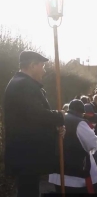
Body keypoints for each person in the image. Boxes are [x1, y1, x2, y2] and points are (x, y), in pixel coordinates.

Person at [3, 51, 65, 197]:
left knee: (29, 189)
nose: (44, 70)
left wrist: (55, 125)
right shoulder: (23, 85)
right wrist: (59, 116)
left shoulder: (22, 83)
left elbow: (30, 117)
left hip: (26, 154)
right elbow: (37, 114)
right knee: (28, 191)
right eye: (42, 66)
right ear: (32, 65)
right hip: (26, 155)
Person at [49, 100, 97, 195]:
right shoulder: (79, 123)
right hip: (76, 173)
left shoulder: (58, 120)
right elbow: (92, 143)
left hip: (57, 171)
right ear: (81, 112)